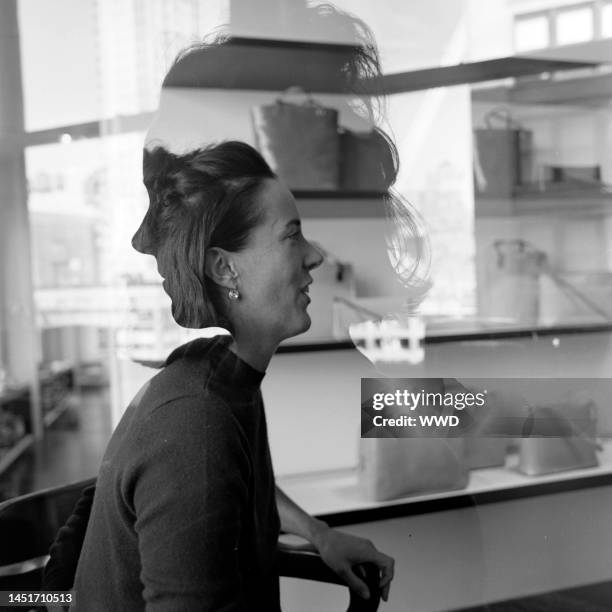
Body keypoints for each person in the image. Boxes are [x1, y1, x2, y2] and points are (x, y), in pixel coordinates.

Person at [44, 141, 394, 610]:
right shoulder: (197, 423)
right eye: (292, 236)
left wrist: (319, 534)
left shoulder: (223, 373)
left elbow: (236, 492)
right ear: (225, 268)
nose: (316, 257)